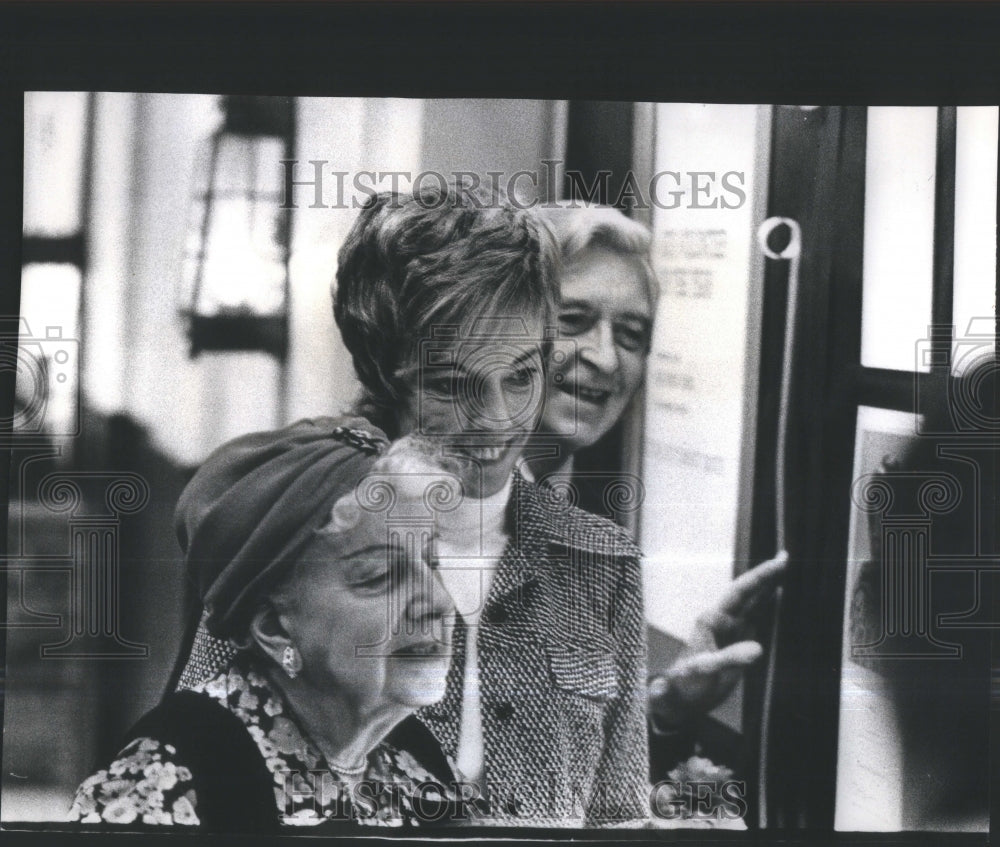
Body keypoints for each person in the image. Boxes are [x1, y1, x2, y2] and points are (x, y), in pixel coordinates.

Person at [69, 419, 466, 829]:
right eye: (380, 574)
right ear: (275, 628)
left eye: (433, 564)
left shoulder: (422, 762)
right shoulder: (166, 779)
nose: (437, 602)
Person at [527, 202, 787, 752]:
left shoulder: (558, 523)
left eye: (631, 334)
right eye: (573, 321)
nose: (605, 358)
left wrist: (668, 707)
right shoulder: (451, 513)